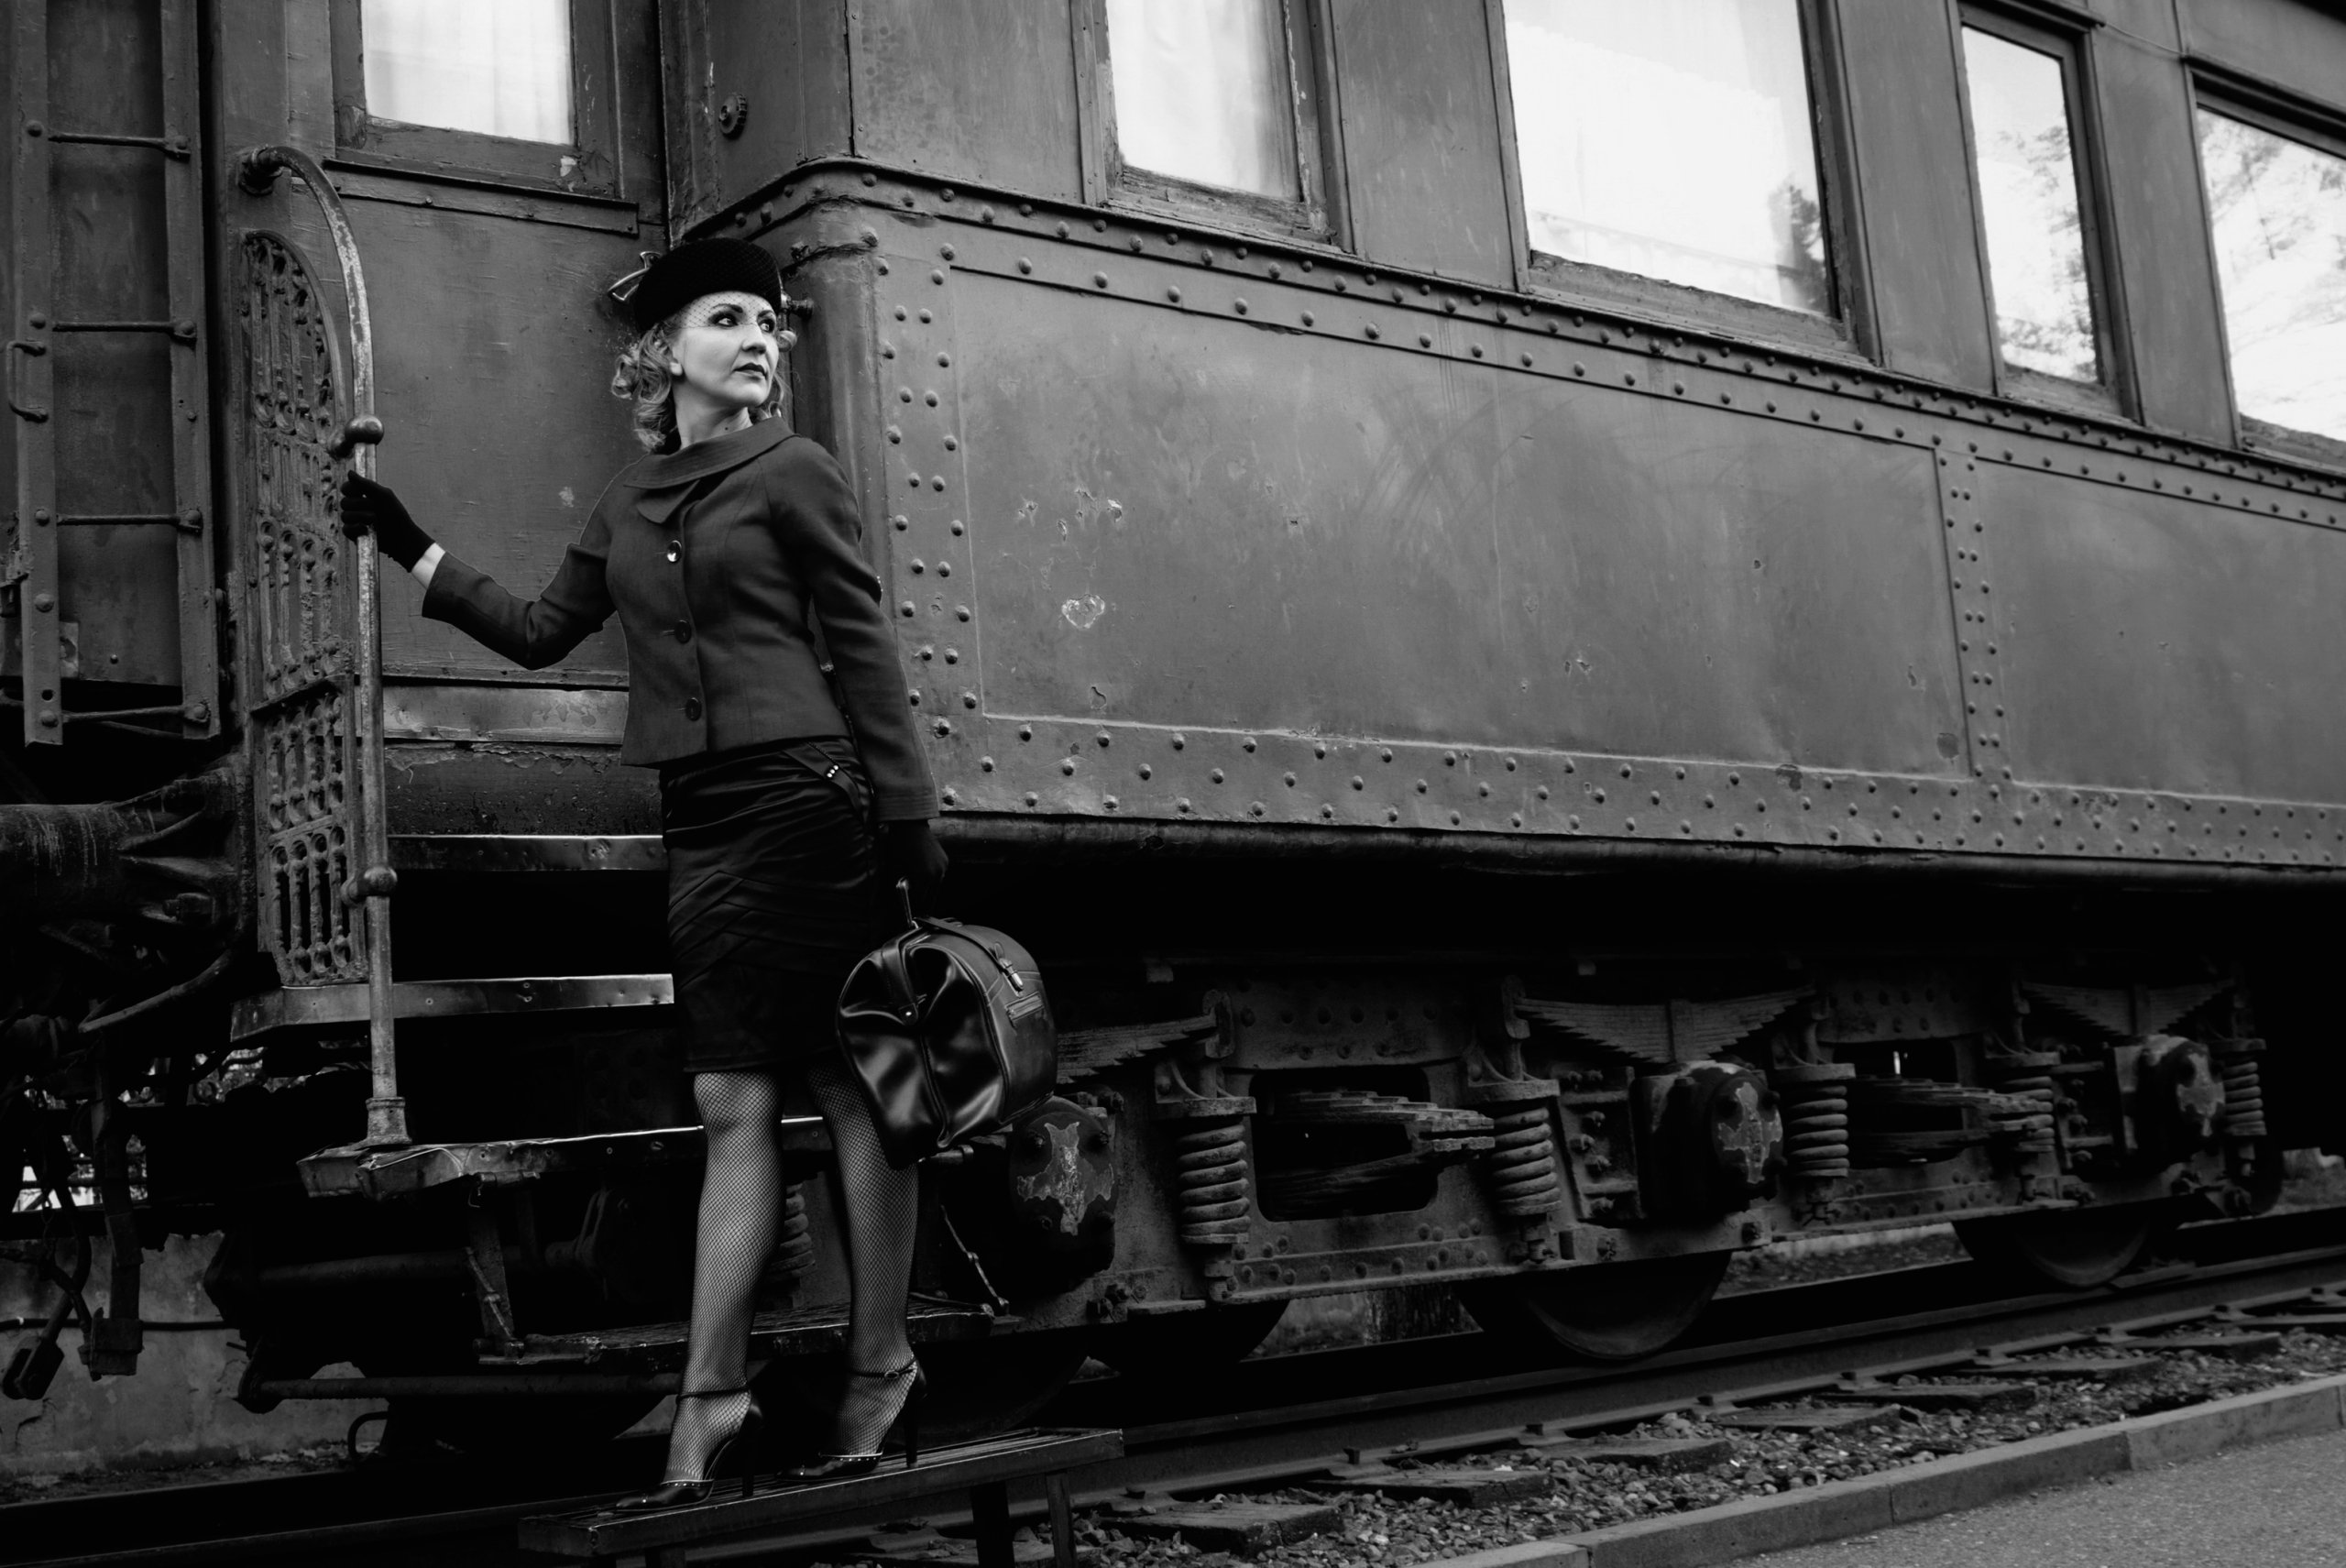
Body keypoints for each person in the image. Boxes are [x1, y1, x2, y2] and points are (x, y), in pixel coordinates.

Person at [339, 238, 945, 1503]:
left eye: (769, 325)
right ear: (665, 352)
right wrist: (414, 550)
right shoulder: (629, 498)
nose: (760, 339)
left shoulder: (796, 472)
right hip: (706, 819)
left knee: (850, 1091)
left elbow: (863, 647)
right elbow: (542, 634)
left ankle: (879, 1362)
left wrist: (908, 817)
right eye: (729, 319)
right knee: (731, 1103)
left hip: (808, 801)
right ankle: (716, 1389)